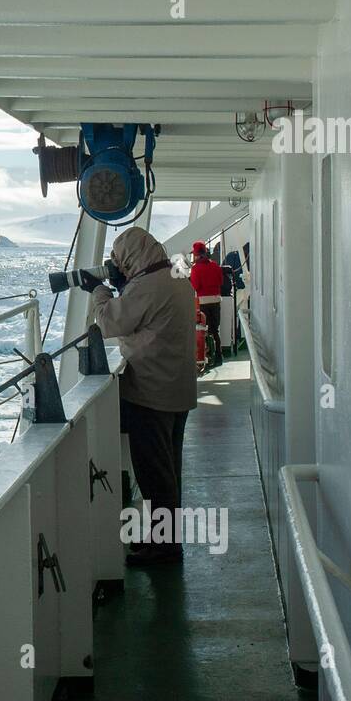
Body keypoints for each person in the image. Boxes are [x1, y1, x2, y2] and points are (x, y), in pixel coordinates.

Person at [91, 228, 197, 566]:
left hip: (152, 393)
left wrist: (98, 292)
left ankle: (165, 548)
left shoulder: (146, 287)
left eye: (121, 260)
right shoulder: (176, 275)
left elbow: (109, 323)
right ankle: (162, 538)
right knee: (169, 471)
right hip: (177, 389)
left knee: (154, 475)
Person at [189, 240, 225, 369]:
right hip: (216, 301)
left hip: (203, 302)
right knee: (215, 330)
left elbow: (194, 286)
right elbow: (221, 281)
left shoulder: (195, 269)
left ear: (196, 254)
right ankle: (219, 356)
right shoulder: (215, 266)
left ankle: (206, 356)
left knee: (202, 330)